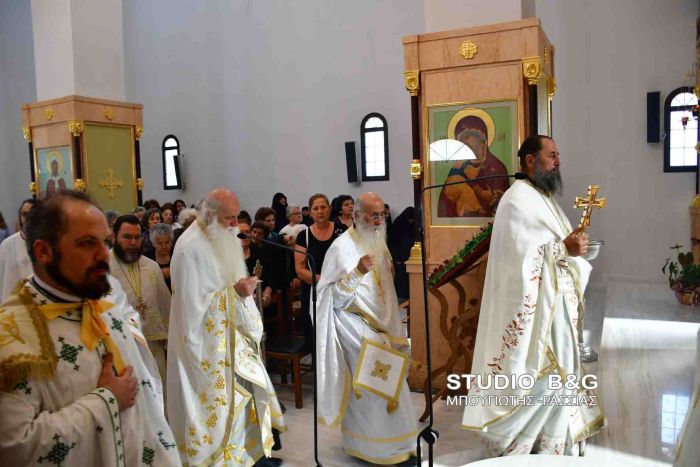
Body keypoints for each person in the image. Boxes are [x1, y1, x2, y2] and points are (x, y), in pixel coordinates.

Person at [0, 191, 180, 465]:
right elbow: (13, 448)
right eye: (86, 243)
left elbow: (146, 411)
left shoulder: (104, 302)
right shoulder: (12, 333)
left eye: (105, 242)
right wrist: (106, 401)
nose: (103, 256)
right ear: (43, 251)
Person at [462, 135, 604, 456]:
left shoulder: (544, 198)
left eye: (558, 155)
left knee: (561, 372)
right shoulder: (516, 200)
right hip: (536, 311)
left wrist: (572, 248)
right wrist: (563, 249)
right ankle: (517, 443)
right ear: (530, 160)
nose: (558, 161)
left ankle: (552, 441)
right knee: (542, 375)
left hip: (556, 305)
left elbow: (555, 246)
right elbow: (519, 261)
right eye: (552, 155)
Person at [167, 188, 285, 466]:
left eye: (236, 217)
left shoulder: (223, 236)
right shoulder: (188, 249)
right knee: (220, 410)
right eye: (229, 218)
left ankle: (250, 456)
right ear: (209, 215)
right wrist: (236, 293)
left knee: (247, 399)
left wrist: (241, 292)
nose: (235, 224)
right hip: (205, 347)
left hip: (233, 337)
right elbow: (191, 309)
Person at [316, 192, 418, 465]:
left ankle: (399, 445)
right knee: (374, 389)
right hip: (353, 325)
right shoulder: (341, 248)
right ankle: (377, 450)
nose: (379, 220)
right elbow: (330, 297)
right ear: (357, 216)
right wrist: (358, 272)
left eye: (382, 215)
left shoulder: (377, 242)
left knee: (393, 386)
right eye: (374, 215)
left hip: (379, 325)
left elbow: (385, 290)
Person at [109, 215, 171, 382]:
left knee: (158, 392)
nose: (133, 243)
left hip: (153, 346)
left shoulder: (152, 267)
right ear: (114, 236)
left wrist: (170, 344)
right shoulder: (103, 267)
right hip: (120, 349)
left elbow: (166, 306)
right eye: (127, 237)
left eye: (137, 237)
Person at [295, 194, 344, 350]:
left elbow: (350, 259)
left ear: (329, 209)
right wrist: (323, 280)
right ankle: (317, 364)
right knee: (315, 337)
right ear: (310, 212)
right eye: (315, 208)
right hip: (313, 291)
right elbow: (300, 269)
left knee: (339, 335)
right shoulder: (303, 236)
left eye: (323, 207)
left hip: (339, 289)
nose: (320, 211)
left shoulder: (342, 231)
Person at [438, 115, 510, 217]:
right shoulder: (458, 166)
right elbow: (444, 206)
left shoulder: (496, 168)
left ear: (484, 144)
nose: (469, 152)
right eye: (464, 147)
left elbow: (503, 204)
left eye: (473, 148)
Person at [0, 199, 37, 300]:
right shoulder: (7, 245)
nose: (27, 219)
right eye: (24, 214)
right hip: (13, 302)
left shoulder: (49, 242)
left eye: (32, 214)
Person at [151, 223, 174, 291]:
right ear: (153, 243)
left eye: (167, 242)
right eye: (160, 243)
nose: (164, 246)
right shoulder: (147, 258)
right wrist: (160, 274)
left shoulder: (176, 254)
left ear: (171, 241)